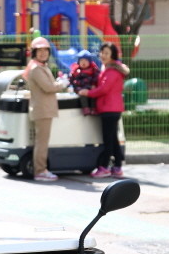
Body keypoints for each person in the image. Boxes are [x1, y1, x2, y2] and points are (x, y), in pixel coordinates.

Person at [78, 42, 129, 178]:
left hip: (109, 108)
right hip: (111, 108)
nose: (103, 55)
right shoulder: (108, 68)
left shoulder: (112, 71)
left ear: (113, 55)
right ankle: (117, 167)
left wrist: (87, 92)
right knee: (113, 139)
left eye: (107, 53)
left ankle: (104, 167)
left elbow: (104, 89)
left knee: (108, 139)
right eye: (102, 52)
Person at [24, 37, 69, 182]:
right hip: (42, 109)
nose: (43, 53)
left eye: (45, 50)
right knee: (42, 142)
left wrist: (58, 83)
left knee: (41, 141)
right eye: (39, 50)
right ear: (34, 52)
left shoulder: (40, 66)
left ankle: (41, 170)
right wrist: (62, 84)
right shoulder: (37, 68)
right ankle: (40, 171)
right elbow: (48, 87)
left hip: (43, 109)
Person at [69, 49, 99, 115]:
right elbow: (72, 78)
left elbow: (96, 77)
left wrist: (93, 84)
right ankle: (85, 108)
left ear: (89, 61)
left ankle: (93, 108)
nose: (83, 62)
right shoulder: (77, 70)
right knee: (83, 96)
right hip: (81, 88)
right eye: (81, 60)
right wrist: (71, 85)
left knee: (94, 95)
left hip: (90, 87)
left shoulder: (93, 69)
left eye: (85, 60)